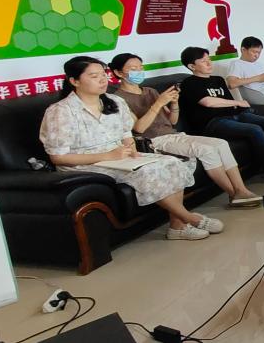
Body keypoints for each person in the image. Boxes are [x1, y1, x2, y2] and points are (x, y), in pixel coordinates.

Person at [40, 56, 222, 241]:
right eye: (94, 76)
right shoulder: (61, 111)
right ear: (74, 81)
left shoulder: (114, 101)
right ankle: (190, 218)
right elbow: (58, 157)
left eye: (103, 75)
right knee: (147, 171)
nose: (102, 80)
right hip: (84, 164)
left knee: (172, 162)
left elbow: (126, 134)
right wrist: (109, 155)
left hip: (120, 157)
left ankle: (177, 227)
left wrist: (133, 152)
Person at [109, 53, 263, 208]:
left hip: (174, 134)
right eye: (133, 68)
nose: (139, 71)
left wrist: (174, 104)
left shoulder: (151, 91)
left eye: (140, 67)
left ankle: (241, 190)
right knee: (207, 151)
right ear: (118, 72)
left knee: (221, 144)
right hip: (154, 141)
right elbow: (139, 128)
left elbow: (172, 121)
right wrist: (158, 103)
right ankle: (234, 195)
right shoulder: (118, 99)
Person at [179, 47, 264, 184]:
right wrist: (237, 102)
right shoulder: (189, 83)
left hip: (234, 115)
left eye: (209, 59)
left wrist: (240, 108)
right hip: (213, 122)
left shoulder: (218, 80)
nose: (209, 63)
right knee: (255, 130)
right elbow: (208, 102)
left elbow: (227, 102)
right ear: (192, 66)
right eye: (203, 61)